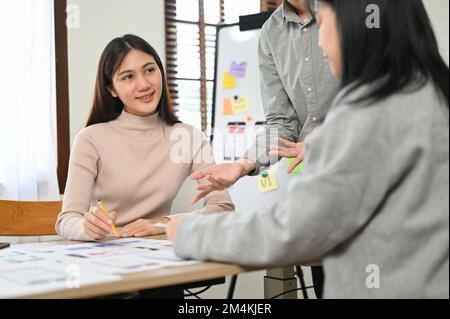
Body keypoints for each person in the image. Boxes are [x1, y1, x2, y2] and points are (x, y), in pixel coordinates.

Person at [167, 0, 449, 298]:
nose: (318, 37)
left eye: (323, 21)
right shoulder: (428, 90)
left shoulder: (368, 111)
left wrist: (188, 232)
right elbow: (282, 123)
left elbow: (295, 231)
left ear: (355, 24)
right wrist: (246, 162)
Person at [190, 0, 340, 298]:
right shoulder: (271, 33)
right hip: (321, 188)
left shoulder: (348, 13)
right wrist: (244, 163)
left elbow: (372, 96)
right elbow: (281, 122)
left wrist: (322, 138)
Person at [56, 34, 234, 242]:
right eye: (128, 77)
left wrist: (162, 223)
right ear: (111, 89)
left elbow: (222, 207)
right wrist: (87, 228)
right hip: (105, 256)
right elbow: (66, 220)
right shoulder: (90, 139)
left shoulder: (189, 137)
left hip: (159, 255)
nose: (143, 85)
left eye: (150, 70)